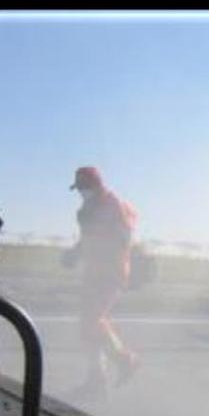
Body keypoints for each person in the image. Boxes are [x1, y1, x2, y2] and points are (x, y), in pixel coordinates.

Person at [63, 166, 140, 397]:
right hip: (93, 272)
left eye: (83, 187)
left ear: (94, 185)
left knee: (93, 320)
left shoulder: (112, 204)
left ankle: (126, 359)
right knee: (87, 327)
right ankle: (96, 380)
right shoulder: (88, 208)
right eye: (78, 189)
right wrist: (76, 253)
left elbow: (125, 238)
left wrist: (102, 250)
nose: (80, 192)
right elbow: (88, 238)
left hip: (110, 273)